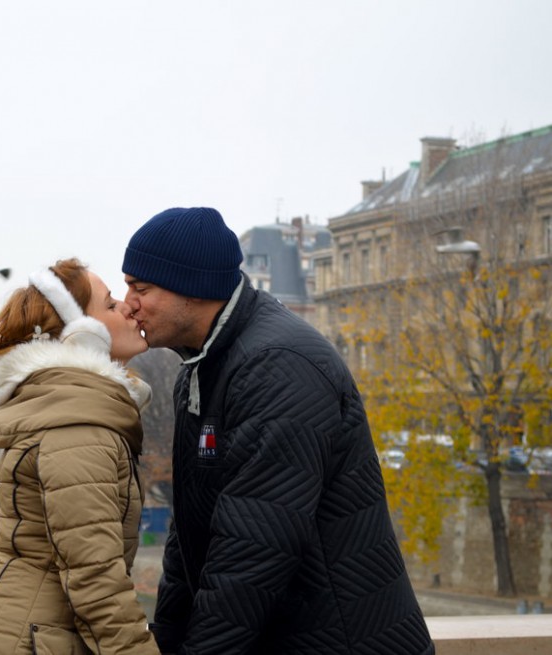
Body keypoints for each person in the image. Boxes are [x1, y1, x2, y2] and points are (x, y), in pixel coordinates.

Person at [121, 207, 435, 654]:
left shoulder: (276, 366)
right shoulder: (206, 364)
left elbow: (252, 553)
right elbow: (189, 533)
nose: (128, 302)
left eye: (141, 288)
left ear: (191, 286)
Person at [0, 258, 160, 655]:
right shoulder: (78, 426)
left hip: (22, 628)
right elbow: (97, 582)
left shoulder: (72, 409)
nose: (126, 306)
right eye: (109, 305)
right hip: (26, 638)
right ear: (81, 336)